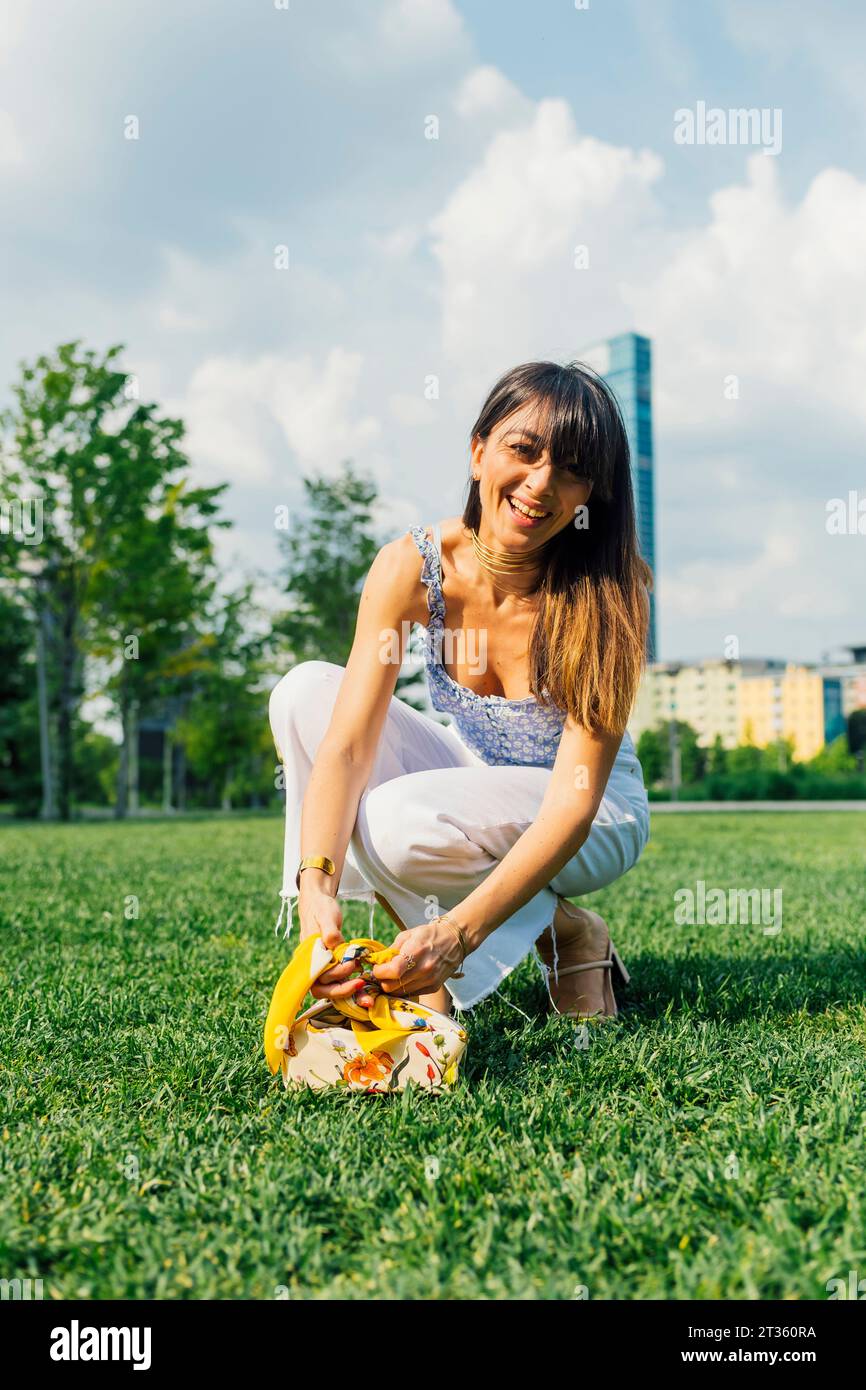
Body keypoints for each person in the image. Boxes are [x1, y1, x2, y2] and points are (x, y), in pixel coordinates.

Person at [268, 359, 652, 1026]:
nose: (540, 485)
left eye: (571, 470)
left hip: (594, 813)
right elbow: (348, 744)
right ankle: (537, 939)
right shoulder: (412, 568)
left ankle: (563, 936)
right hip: (476, 777)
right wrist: (315, 891)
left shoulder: (610, 594)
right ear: (479, 453)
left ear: (591, 494)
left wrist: (459, 934)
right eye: (523, 451)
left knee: (394, 822)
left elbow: (572, 803)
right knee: (303, 692)